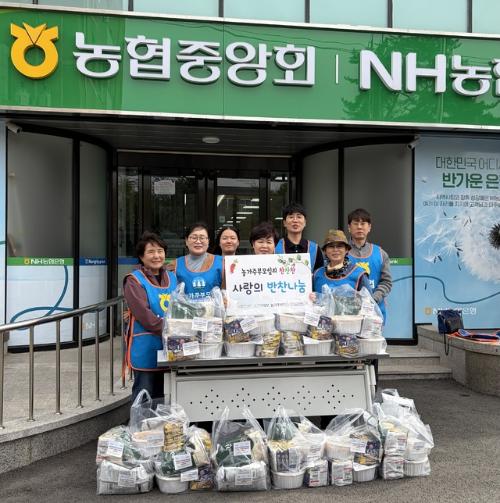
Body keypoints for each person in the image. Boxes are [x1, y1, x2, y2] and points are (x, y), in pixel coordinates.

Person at [124, 231, 177, 402]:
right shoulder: (134, 280)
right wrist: (174, 329)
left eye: (160, 251)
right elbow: (144, 315)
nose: (157, 256)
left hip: (171, 348)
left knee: (168, 399)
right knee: (144, 399)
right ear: (141, 256)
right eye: (151, 252)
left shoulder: (172, 277)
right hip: (147, 347)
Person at [347, 208, 392, 321]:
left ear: (369, 227)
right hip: (347, 311)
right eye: (355, 223)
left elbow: (386, 282)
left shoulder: (380, 253)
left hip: (374, 312)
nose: (359, 227)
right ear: (349, 227)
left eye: (363, 223)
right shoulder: (340, 253)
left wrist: (373, 299)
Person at [173, 222, 223, 299]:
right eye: (194, 237)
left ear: (208, 241)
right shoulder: (175, 265)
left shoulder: (221, 262)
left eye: (202, 238)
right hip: (185, 307)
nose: (198, 241)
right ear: (186, 241)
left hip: (215, 307)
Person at [275, 202, 324, 271]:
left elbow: (319, 274)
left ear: (305, 222)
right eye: (291, 217)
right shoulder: (276, 247)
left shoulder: (315, 249)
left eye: (299, 217)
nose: (295, 220)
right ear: (284, 223)